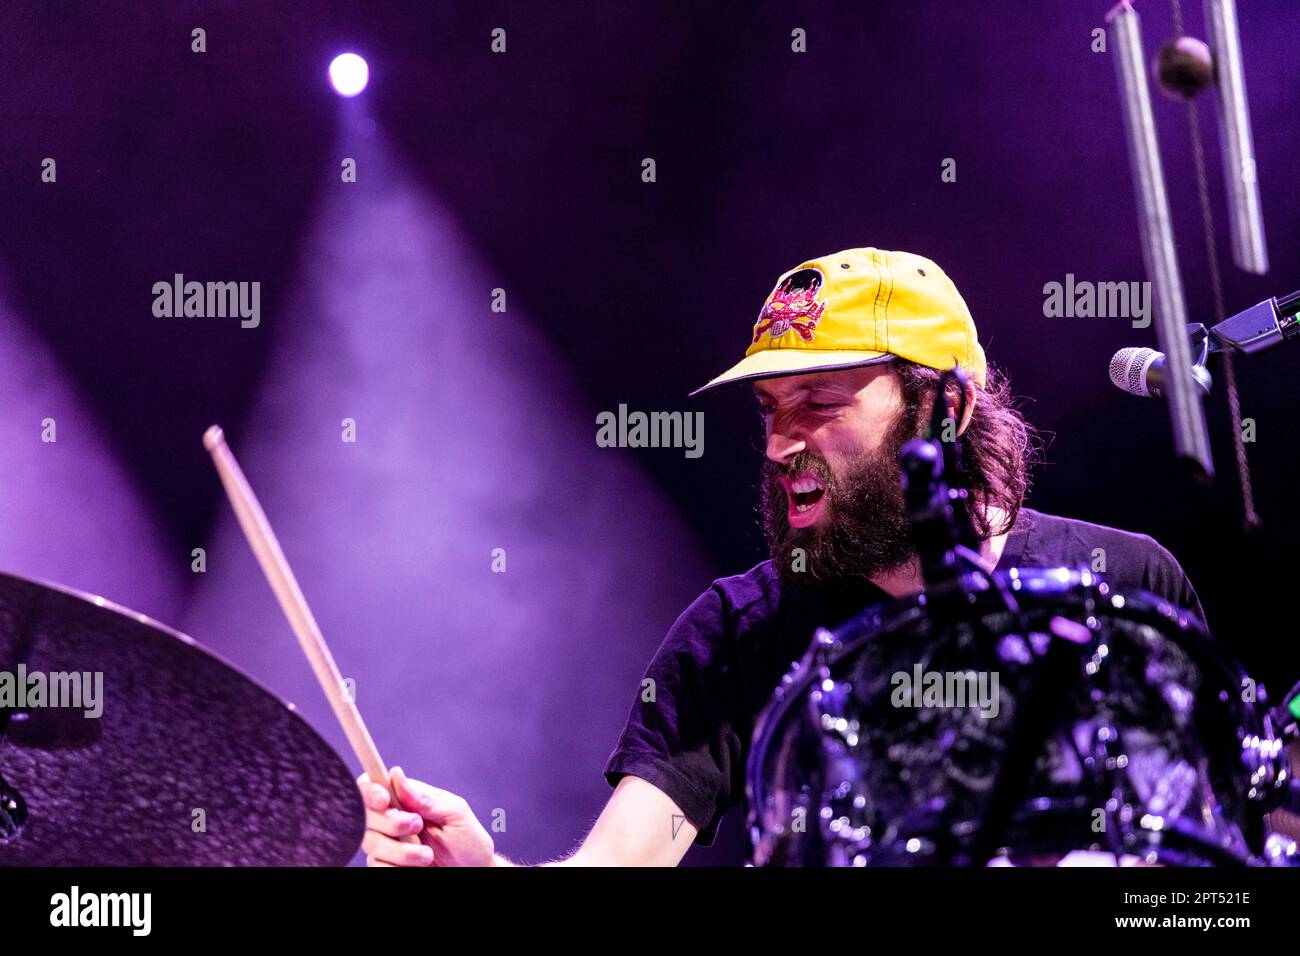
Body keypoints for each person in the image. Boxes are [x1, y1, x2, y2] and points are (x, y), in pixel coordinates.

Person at [358, 247, 1204, 867]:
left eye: (817, 403)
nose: (779, 445)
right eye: (770, 409)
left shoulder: (1126, 583)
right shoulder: (740, 631)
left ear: (944, 406)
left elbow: (1219, 869)